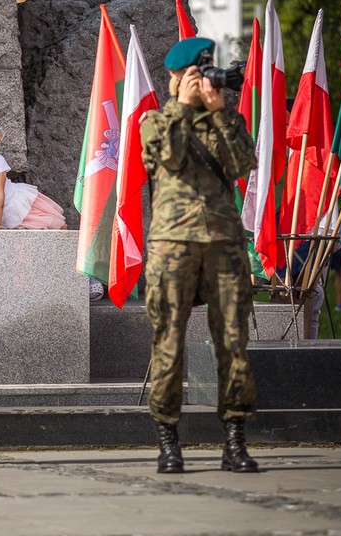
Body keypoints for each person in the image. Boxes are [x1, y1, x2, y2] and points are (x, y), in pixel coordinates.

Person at [140, 37, 259, 474]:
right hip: (173, 245)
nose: (202, 81)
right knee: (169, 343)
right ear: (174, 78)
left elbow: (241, 165)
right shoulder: (156, 120)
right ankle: (168, 442)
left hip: (224, 243)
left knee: (233, 343)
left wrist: (219, 112)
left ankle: (235, 440)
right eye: (193, 74)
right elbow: (169, 159)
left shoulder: (227, 119)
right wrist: (183, 107)